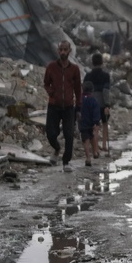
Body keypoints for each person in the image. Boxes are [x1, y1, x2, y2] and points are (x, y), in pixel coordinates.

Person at [43, 40, 82, 172]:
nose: (63, 52)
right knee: (50, 133)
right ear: (58, 51)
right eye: (61, 50)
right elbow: (46, 83)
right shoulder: (51, 67)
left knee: (69, 134)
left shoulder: (74, 69)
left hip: (69, 107)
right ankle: (57, 148)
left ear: (69, 51)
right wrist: (51, 93)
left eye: (65, 50)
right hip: (54, 105)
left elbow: (78, 90)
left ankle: (66, 162)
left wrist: (79, 107)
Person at [84, 53, 112, 155]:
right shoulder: (105, 76)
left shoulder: (88, 76)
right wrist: (107, 104)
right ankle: (104, 145)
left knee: (94, 126)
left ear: (92, 63)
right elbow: (105, 91)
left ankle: (95, 150)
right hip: (101, 103)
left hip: (90, 104)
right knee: (104, 124)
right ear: (102, 63)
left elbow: (84, 91)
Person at [79, 80, 102, 167]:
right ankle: (95, 152)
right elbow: (96, 112)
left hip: (83, 123)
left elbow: (76, 110)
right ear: (92, 90)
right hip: (91, 123)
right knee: (92, 137)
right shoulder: (93, 100)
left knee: (86, 140)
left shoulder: (80, 100)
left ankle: (88, 157)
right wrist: (96, 122)